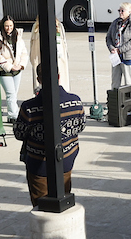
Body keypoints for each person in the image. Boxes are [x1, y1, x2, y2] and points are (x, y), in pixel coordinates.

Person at [13, 64, 86, 207]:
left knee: (41, 206)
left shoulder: (29, 107)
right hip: (66, 160)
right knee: (64, 202)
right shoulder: (75, 101)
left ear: (38, 79)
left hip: (38, 164)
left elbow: (19, 133)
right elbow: (81, 126)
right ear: (58, 77)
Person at [0, 15, 29, 121]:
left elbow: (24, 52)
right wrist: (9, 67)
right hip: (5, 71)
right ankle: (13, 116)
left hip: (17, 70)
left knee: (14, 94)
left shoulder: (18, 36)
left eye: (11, 25)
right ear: (3, 26)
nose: (9, 28)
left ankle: (12, 114)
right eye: (6, 26)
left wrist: (21, 65)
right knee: (10, 93)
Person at [30, 18, 72, 93]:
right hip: (41, 59)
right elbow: (33, 48)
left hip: (58, 58)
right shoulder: (36, 27)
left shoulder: (59, 26)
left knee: (59, 81)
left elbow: (64, 44)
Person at [104, 2, 131, 90]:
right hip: (116, 56)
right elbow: (108, 37)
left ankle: (129, 102)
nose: (120, 12)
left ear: (129, 11)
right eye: (119, 10)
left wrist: (120, 50)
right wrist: (112, 49)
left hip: (128, 57)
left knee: (128, 82)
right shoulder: (115, 22)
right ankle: (115, 100)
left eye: (122, 11)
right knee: (115, 81)